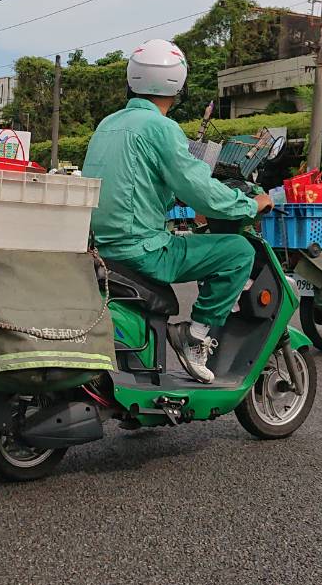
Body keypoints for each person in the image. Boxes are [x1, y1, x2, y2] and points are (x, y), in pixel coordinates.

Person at [82, 39, 273, 383]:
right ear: (178, 85)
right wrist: (249, 204)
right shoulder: (161, 128)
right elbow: (199, 187)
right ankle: (195, 336)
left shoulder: (107, 124)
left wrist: (181, 205)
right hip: (143, 252)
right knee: (238, 251)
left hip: (103, 247)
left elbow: (134, 188)